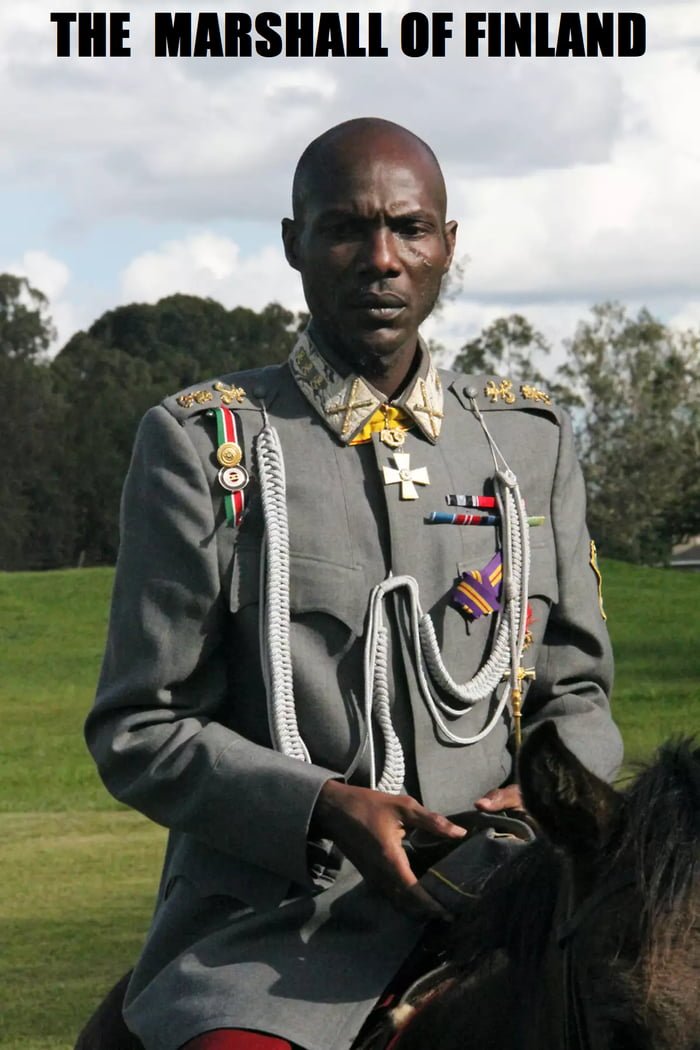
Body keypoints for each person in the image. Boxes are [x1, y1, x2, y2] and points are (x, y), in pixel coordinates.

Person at [84, 117, 623, 1050]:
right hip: (280, 936)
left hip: (513, 909)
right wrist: (323, 806)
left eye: (409, 229)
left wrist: (546, 795)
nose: (381, 259)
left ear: (446, 246)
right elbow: (141, 727)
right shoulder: (207, 447)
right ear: (293, 243)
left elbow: (576, 694)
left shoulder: (527, 443)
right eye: (345, 228)